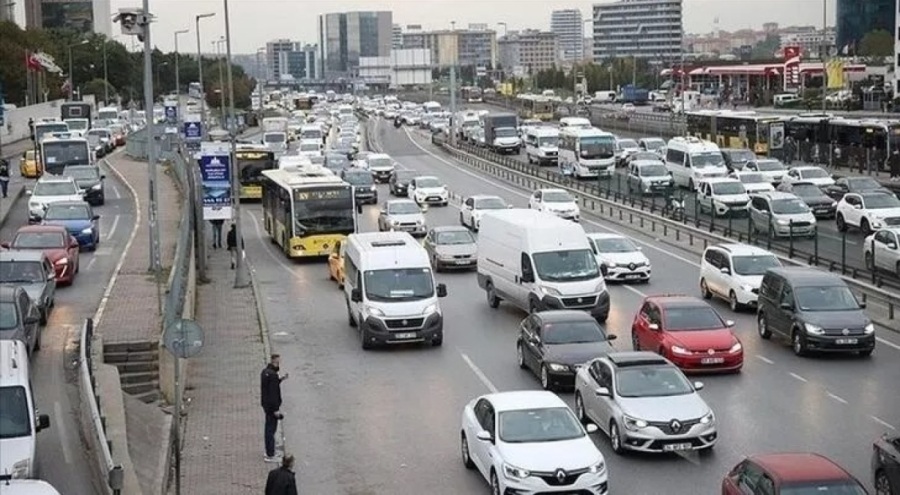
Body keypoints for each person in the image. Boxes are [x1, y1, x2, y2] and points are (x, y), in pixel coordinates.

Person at [261, 354, 288, 463]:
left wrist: (280, 379)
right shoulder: (272, 375)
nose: (279, 364)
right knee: (271, 430)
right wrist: (276, 409)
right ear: (274, 361)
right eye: (278, 362)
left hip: (266, 405)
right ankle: (270, 454)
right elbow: (273, 393)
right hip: (271, 407)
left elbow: (270, 387)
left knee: (269, 428)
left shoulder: (265, 372)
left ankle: (269, 451)